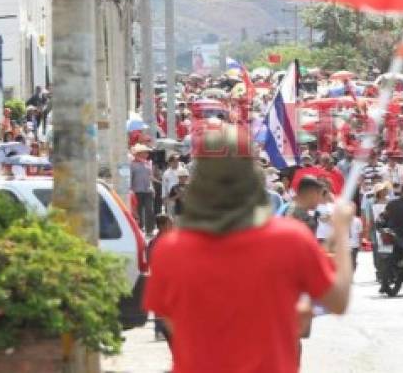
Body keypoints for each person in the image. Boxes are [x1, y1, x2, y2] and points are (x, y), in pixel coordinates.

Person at [143, 129, 354, 373]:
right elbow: (338, 301)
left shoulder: (170, 250)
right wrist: (340, 230)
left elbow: (173, 321)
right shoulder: (290, 239)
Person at [147, 214, 174, 343]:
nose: (172, 226)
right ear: (162, 226)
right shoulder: (156, 242)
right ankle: (159, 331)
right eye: (170, 223)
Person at [131, 144, 156, 234]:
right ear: (139, 153)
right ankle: (139, 228)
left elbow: (150, 177)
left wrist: (153, 188)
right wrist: (131, 191)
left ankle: (150, 229)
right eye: (145, 152)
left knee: (150, 210)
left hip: (148, 190)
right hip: (136, 191)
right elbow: (130, 178)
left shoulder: (148, 163)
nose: (147, 154)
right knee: (138, 211)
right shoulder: (132, 164)